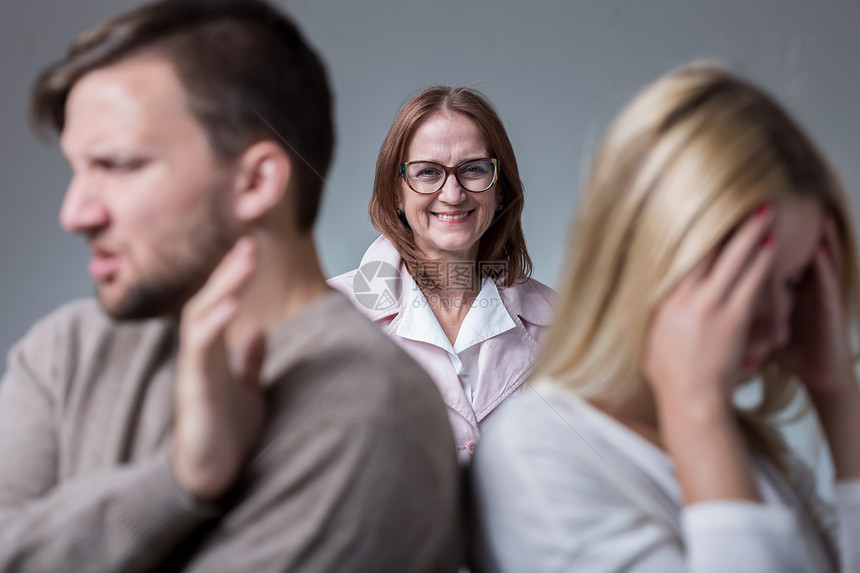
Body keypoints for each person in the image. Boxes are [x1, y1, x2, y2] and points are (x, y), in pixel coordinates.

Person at [0, 1, 460, 571]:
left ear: (257, 181)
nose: (76, 213)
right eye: (77, 169)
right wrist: (176, 483)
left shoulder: (373, 417)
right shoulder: (65, 352)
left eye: (118, 165)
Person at [472, 63, 860, 572]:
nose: (778, 328)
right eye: (740, 279)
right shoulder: (535, 452)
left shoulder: (755, 451)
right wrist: (698, 411)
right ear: (647, 255)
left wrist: (839, 395)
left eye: (789, 285)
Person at [330, 87, 554, 465]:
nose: (452, 194)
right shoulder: (331, 317)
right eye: (428, 172)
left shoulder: (562, 324)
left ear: (500, 190)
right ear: (396, 193)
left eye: (474, 169)